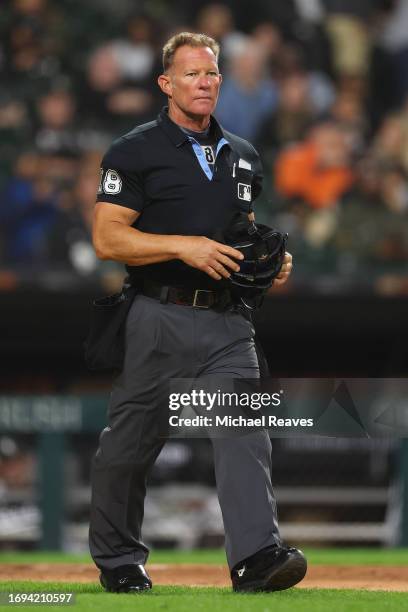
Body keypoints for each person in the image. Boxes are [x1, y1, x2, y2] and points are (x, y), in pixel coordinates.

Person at [89, 31, 306, 594]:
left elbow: (241, 232)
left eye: (211, 73)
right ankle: (118, 560)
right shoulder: (134, 150)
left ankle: (256, 558)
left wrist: (272, 260)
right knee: (130, 445)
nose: (204, 82)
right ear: (166, 84)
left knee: (243, 432)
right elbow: (109, 238)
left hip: (229, 319)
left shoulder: (244, 155)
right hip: (157, 313)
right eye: (191, 74)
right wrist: (181, 244)